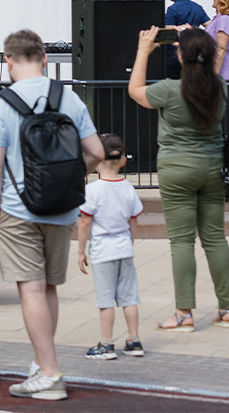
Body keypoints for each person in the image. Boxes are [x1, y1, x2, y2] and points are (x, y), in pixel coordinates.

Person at [0, 28, 103, 401]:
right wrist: (68, 179)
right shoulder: (68, 98)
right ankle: (41, 363)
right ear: (45, 57)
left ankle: (49, 373)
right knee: (48, 287)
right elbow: (97, 153)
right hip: (61, 207)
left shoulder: (2, 104)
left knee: (30, 288)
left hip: (18, 208)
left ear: (8, 61)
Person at [127, 25, 229, 330]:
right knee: (215, 238)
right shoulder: (220, 87)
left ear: (181, 56)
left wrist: (143, 51)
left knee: (182, 241)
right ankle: (227, 308)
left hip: (176, 169)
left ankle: (184, 312)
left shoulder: (169, 90)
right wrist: (195, 38)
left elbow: (135, 90)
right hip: (212, 167)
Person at [77, 133, 144, 359]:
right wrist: (129, 243)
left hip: (103, 250)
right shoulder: (128, 188)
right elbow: (133, 221)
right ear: (123, 160)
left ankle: (106, 343)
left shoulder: (93, 191)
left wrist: (80, 251)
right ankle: (134, 340)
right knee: (129, 297)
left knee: (105, 300)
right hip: (124, 248)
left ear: (96, 161)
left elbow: (85, 223)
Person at [165, 0, 208, 78]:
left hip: (174, 54)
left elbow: (168, 31)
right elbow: (211, 27)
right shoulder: (197, 7)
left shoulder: (172, 9)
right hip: (193, 54)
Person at [204, 0, 229, 80]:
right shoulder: (218, 19)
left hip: (223, 75)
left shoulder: (224, 19)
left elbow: (221, 48)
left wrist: (214, 76)